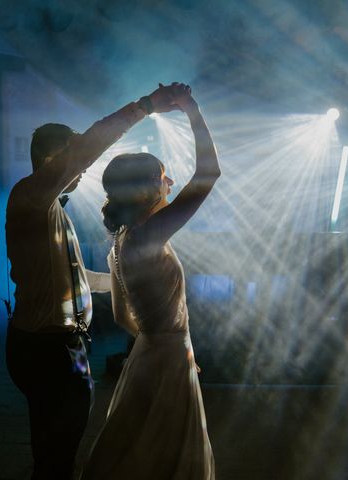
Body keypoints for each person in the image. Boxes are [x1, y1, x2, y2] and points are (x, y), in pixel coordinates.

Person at [5, 83, 180, 480]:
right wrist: (146, 106)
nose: (83, 172)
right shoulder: (31, 197)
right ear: (53, 161)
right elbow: (90, 145)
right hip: (49, 347)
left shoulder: (50, 209)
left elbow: (77, 281)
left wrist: (126, 278)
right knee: (57, 457)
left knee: (56, 454)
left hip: (58, 345)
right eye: (75, 162)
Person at [82, 84, 219, 480]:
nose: (171, 182)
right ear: (147, 189)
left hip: (150, 354)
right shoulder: (147, 235)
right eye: (163, 177)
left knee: (136, 448)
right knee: (166, 457)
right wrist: (192, 108)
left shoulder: (123, 239)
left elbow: (125, 313)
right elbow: (209, 173)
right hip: (166, 357)